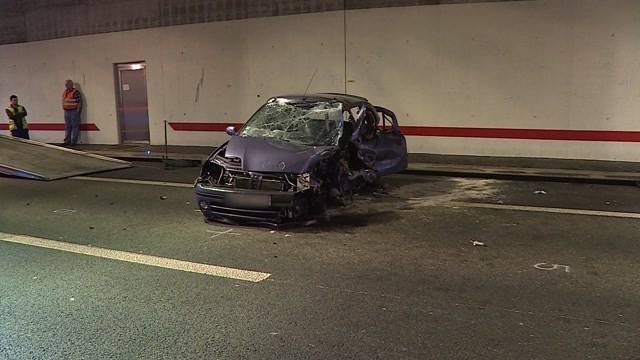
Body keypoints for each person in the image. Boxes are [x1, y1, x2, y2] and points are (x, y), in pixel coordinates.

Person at [62, 79, 82, 146]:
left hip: (73, 111)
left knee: (74, 127)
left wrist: (77, 111)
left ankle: (73, 142)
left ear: (71, 85)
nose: (66, 86)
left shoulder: (75, 92)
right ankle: (67, 141)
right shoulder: (65, 92)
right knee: (67, 127)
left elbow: (79, 102)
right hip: (66, 111)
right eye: (65, 85)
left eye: (67, 84)